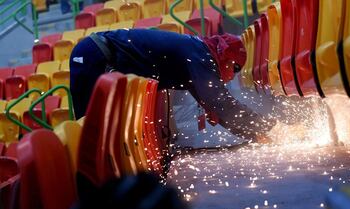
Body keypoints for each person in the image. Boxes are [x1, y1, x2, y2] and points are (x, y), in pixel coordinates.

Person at [69, 29, 275, 142]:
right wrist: (268, 127)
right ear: (226, 57)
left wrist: (256, 135)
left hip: (100, 57)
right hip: (93, 55)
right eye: (236, 68)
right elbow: (220, 102)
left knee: (95, 132)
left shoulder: (196, 56)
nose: (233, 75)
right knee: (88, 129)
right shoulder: (200, 55)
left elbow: (217, 108)